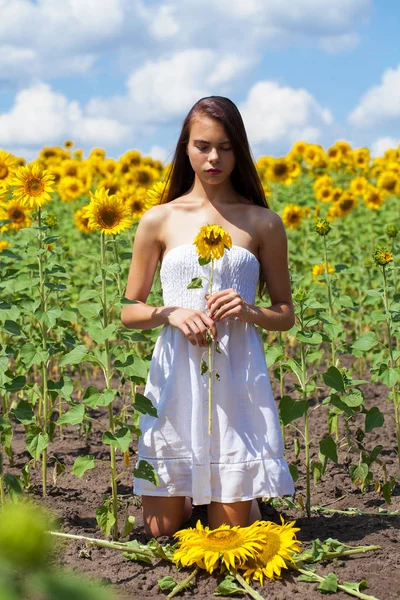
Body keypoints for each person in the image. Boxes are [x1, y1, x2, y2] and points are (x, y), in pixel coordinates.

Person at [121, 96, 295, 537]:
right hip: (176, 377)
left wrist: (250, 310)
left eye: (226, 147)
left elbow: (285, 313)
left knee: (227, 536)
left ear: (240, 151)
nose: (214, 158)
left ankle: (238, 498)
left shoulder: (264, 222)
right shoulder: (159, 219)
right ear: (186, 148)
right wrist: (171, 312)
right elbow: (129, 310)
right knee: (161, 530)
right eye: (203, 146)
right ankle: (199, 494)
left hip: (235, 378)